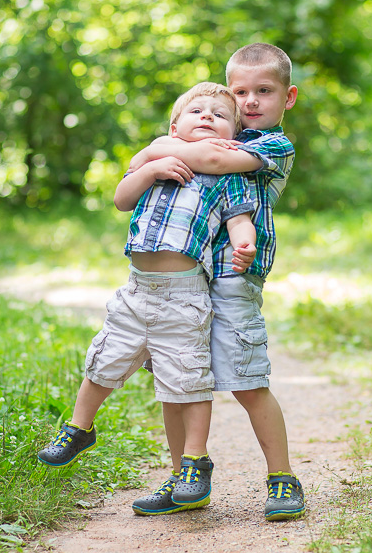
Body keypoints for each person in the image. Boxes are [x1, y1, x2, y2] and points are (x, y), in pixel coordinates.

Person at [37, 82, 258, 513]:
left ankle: (194, 460)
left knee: (189, 379)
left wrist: (244, 245)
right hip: (136, 290)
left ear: (231, 136)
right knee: (105, 358)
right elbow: (121, 199)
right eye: (198, 111)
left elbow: (239, 221)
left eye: (219, 114)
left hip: (184, 296)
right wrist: (150, 170)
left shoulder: (229, 177)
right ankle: (79, 427)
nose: (208, 116)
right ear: (174, 128)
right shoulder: (157, 159)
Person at [126, 43, 304, 521]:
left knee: (247, 381)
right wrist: (162, 149)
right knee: (177, 382)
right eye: (240, 91)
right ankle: (183, 475)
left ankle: (282, 478)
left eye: (263, 91)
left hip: (232, 279)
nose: (249, 102)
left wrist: (161, 148)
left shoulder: (271, 145)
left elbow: (217, 164)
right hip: (187, 277)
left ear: (287, 98)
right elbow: (148, 164)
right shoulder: (217, 129)